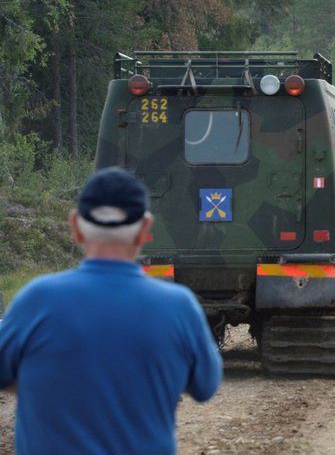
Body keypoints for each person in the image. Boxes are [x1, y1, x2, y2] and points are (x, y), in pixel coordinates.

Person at [0, 168, 222, 454]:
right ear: (144, 229)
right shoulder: (180, 307)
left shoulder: (36, 301)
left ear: (76, 226)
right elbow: (205, 385)